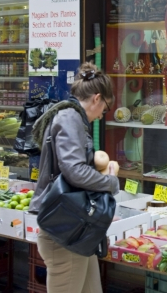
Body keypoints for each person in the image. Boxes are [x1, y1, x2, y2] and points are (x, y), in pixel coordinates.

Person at [29, 63, 119, 293]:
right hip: (64, 234)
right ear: (97, 98)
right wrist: (110, 182)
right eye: (105, 109)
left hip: (75, 231)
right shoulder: (70, 118)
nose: (101, 116)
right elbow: (74, 171)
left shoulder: (72, 118)